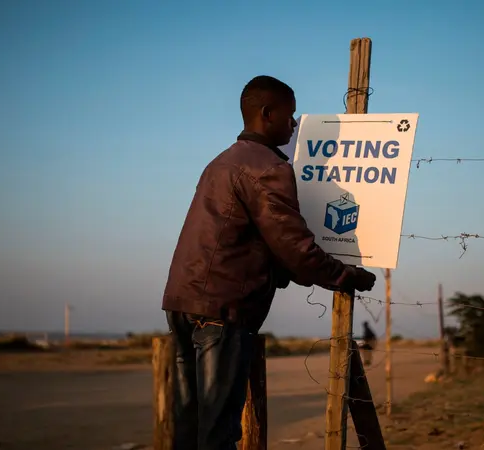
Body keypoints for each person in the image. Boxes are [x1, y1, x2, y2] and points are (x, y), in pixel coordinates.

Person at [161, 75, 377, 450]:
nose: (293, 126)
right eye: (289, 116)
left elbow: (260, 242)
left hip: (182, 301)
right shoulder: (268, 168)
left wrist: (291, 270)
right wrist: (345, 275)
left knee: (188, 426)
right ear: (267, 114)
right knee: (217, 433)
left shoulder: (221, 161)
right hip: (222, 309)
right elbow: (294, 246)